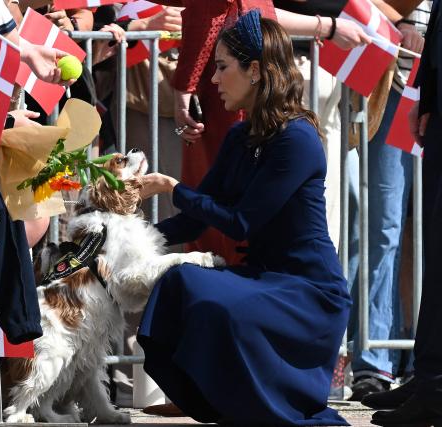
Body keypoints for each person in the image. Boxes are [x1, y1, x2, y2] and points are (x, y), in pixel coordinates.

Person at [136, 10, 351, 425]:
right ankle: (205, 394)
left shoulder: (297, 139)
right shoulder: (240, 136)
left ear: (254, 70)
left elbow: (240, 223)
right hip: (265, 280)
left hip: (307, 292)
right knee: (179, 281)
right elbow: (197, 220)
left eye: (221, 67)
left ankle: (234, 398)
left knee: (213, 298)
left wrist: (172, 188)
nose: (213, 80)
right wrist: (129, 240)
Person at [366, 0, 442, 425]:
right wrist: (426, 95)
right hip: (432, 97)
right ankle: (430, 375)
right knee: (432, 243)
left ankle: (436, 383)